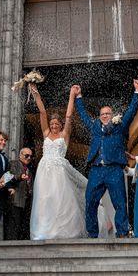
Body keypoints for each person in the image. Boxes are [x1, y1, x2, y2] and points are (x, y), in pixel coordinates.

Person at [74, 79, 138, 238]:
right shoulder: (94, 126)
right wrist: (79, 97)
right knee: (90, 202)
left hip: (114, 169)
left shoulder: (120, 126)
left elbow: (132, 111)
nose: (105, 116)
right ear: (99, 116)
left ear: (112, 115)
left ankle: (123, 232)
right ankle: (92, 234)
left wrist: (137, 91)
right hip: (96, 169)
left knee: (119, 202)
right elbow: (83, 115)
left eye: (108, 113)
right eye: (102, 114)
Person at [30, 86, 87, 240]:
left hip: (60, 172)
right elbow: (42, 113)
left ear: (60, 125)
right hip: (44, 171)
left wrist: (71, 95)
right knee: (45, 199)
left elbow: (68, 116)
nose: (54, 126)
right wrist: (37, 96)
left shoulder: (64, 135)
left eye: (57, 124)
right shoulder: (46, 133)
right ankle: (45, 231)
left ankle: (62, 231)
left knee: (60, 199)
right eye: (52, 123)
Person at [5, 147, 34, 240]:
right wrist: (19, 177)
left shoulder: (29, 171)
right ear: (20, 155)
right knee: (13, 227)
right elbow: (7, 178)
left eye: (30, 156)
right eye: (26, 155)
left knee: (21, 227)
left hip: (25, 203)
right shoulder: (14, 164)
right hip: (15, 200)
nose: (29, 158)